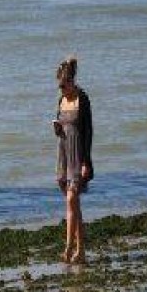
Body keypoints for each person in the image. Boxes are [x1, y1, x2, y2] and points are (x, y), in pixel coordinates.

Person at [53, 56, 93, 264]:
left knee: (71, 201)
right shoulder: (61, 101)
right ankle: (79, 251)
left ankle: (70, 248)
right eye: (59, 87)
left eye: (64, 86)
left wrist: (86, 161)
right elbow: (61, 125)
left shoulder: (83, 99)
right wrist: (57, 129)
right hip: (64, 153)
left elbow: (88, 132)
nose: (62, 90)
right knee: (72, 205)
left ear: (71, 81)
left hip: (79, 156)